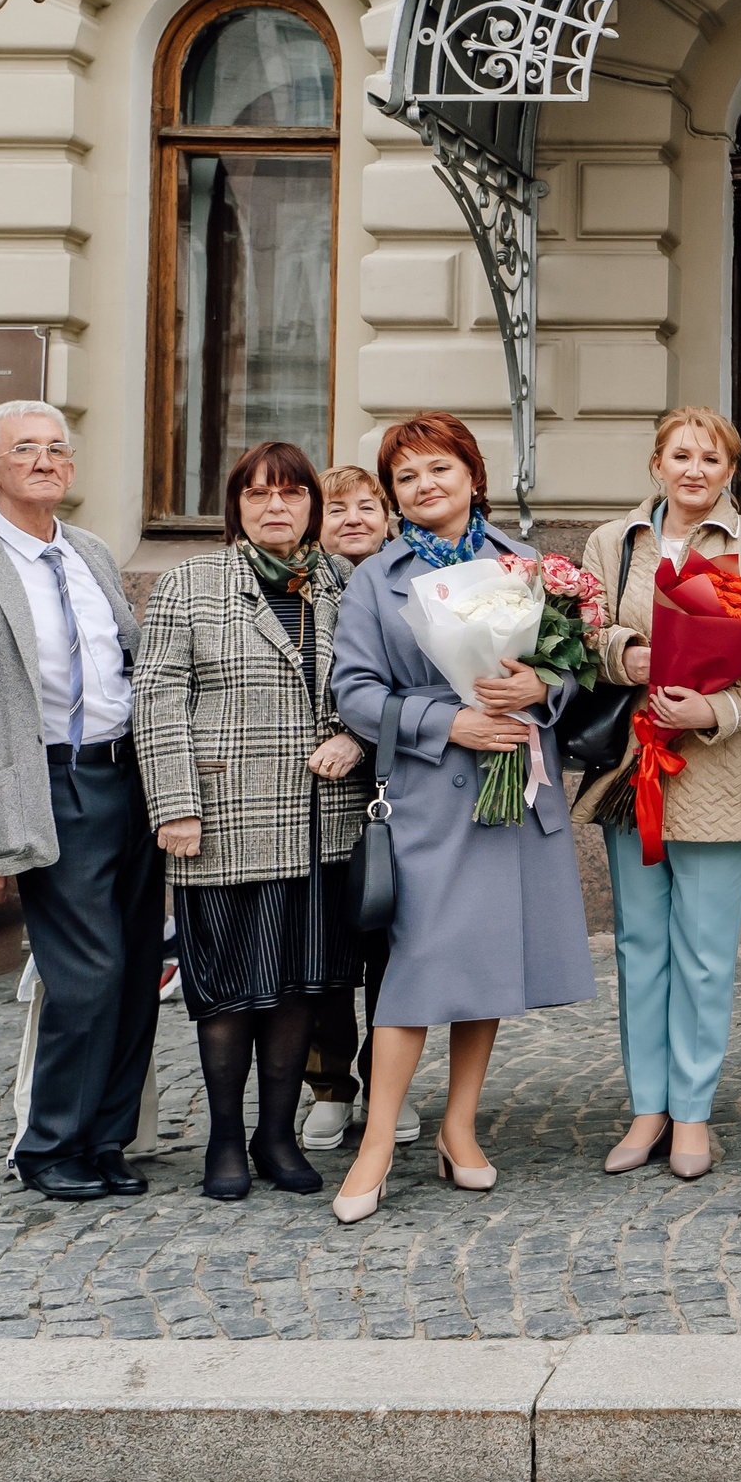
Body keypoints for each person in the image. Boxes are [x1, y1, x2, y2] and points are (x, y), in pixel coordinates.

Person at [325, 412, 597, 1223]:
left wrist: (539, 690)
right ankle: (377, 1142)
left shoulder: (526, 566)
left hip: (514, 786)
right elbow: (356, 692)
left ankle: (459, 1127)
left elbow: (568, 674)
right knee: (416, 969)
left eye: (437, 469)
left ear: (472, 475)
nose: (424, 487)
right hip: (433, 794)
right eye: (406, 478)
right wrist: (448, 722)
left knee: (491, 963)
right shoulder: (378, 576)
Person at [0, 401, 163, 1202]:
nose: (45, 460)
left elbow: (131, 661)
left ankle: (107, 1137)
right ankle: (50, 1143)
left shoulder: (93, 552)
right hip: (48, 784)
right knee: (88, 971)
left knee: (137, 966)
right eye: (24, 449)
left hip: (129, 778)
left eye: (57, 449)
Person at [135, 442, 367, 1201]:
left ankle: (277, 1134)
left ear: (313, 506)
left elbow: (372, 685)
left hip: (317, 822)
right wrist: (173, 805)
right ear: (235, 505)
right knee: (228, 989)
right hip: (223, 817)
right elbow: (159, 700)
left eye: (293, 494)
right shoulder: (190, 584)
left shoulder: (341, 583)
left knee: (299, 985)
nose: (277, 507)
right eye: (260, 494)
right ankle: (225, 1139)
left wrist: (358, 738)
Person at [575, 407, 741, 1180]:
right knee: (641, 947)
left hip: (720, 768)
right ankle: (648, 1108)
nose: (695, 468)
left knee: (705, 952)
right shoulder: (614, 542)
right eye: (681, 454)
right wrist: (626, 655)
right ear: (656, 463)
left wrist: (713, 710)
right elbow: (580, 635)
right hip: (633, 766)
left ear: (731, 469)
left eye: (712, 456)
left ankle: (693, 1113)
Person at [296, 464, 407, 1153]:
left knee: (393, 951)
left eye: (370, 506)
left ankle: (388, 1083)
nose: (355, 519)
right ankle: (330, 1085)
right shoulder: (299, 587)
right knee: (326, 954)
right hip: (314, 795)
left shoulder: (410, 582)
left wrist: (363, 735)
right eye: (338, 509)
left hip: (398, 789)